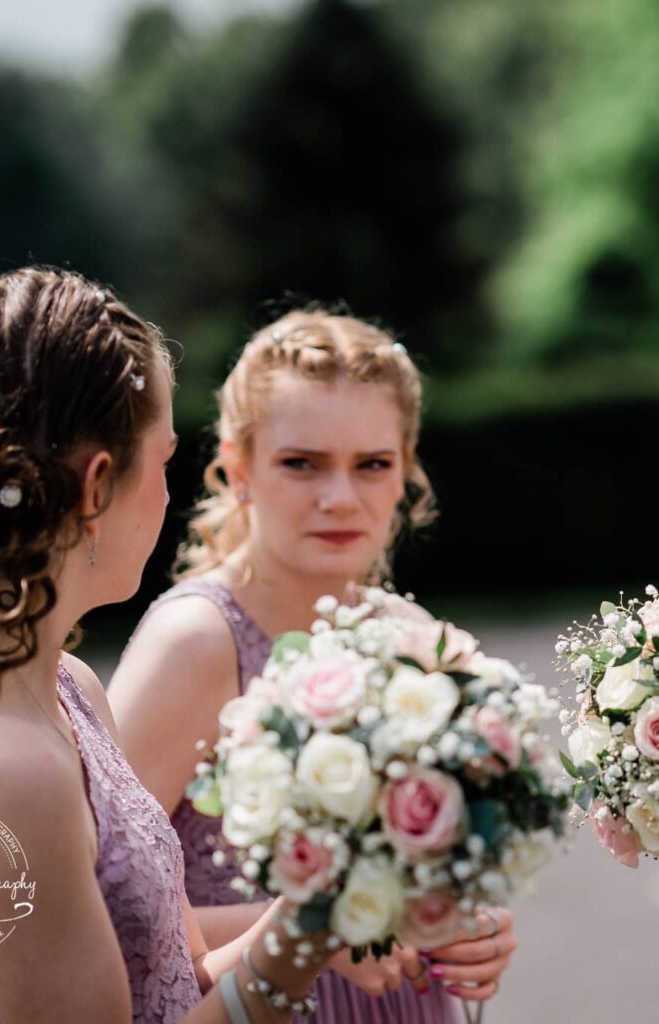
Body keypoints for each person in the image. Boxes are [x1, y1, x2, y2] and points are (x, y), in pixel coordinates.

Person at [0, 268, 345, 1023]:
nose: (172, 494)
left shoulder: (68, 686)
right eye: (166, 459)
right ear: (96, 483)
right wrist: (292, 962)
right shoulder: (0, 765)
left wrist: (340, 912)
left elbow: (178, 972)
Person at [109, 310, 516, 1022]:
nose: (339, 497)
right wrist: (311, 931)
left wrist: (471, 929)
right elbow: (106, 919)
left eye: (372, 465)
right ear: (239, 470)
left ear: (405, 473)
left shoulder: (416, 639)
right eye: (302, 463)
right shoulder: (196, 640)